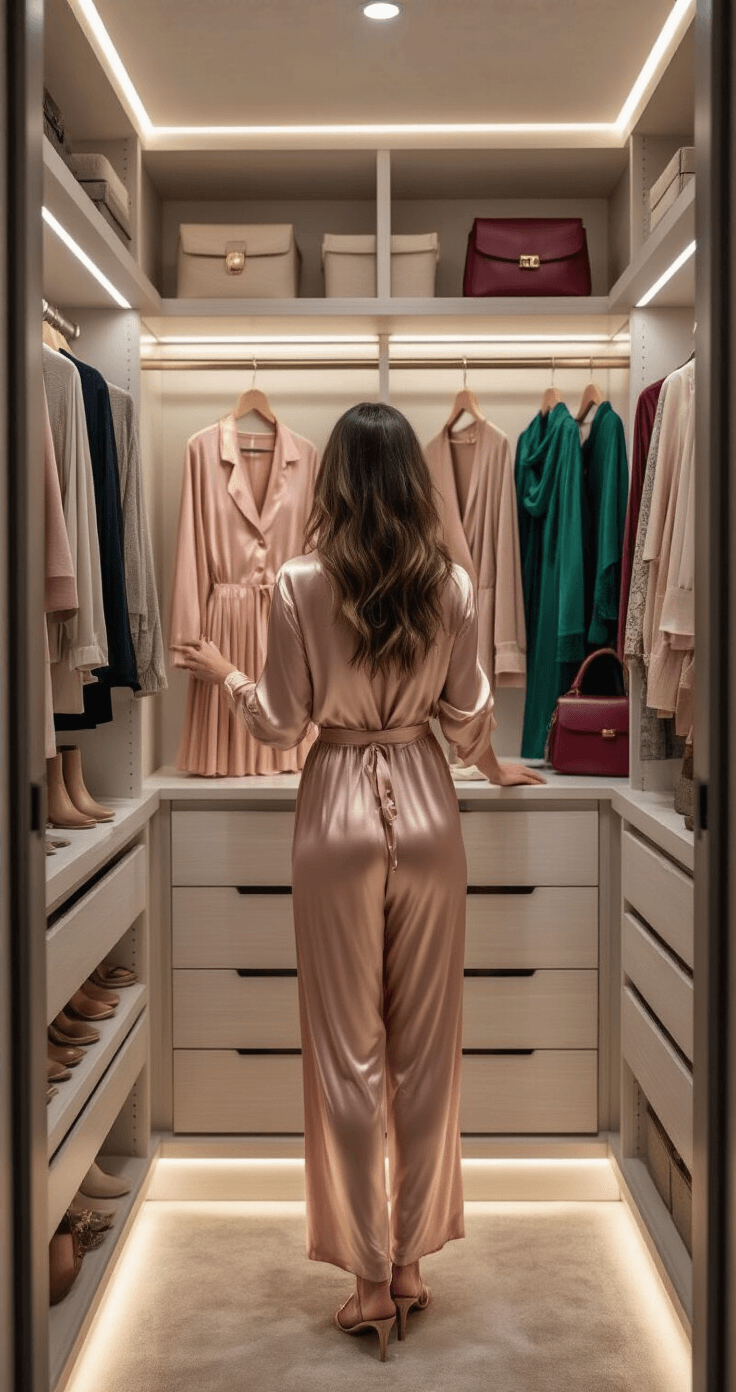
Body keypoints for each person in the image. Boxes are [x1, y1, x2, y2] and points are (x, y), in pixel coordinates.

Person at [173, 401, 547, 1362]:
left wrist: (224, 674)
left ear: (333, 478)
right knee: (427, 1043)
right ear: (415, 485)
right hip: (425, 802)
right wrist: (497, 764)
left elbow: (280, 724)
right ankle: (416, 1262)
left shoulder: (298, 584)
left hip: (336, 800)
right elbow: (467, 715)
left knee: (348, 1049)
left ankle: (370, 1279)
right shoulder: (452, 584)